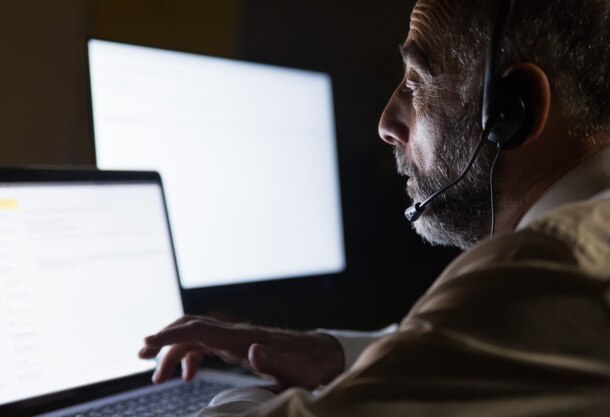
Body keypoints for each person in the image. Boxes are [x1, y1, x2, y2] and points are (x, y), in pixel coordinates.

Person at [138, 0, 610, 415]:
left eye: (416, 82)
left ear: (514, 110)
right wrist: (334, 354)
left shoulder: (548, 268)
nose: (386, 122)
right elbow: (492, 354)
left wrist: (223, 398)